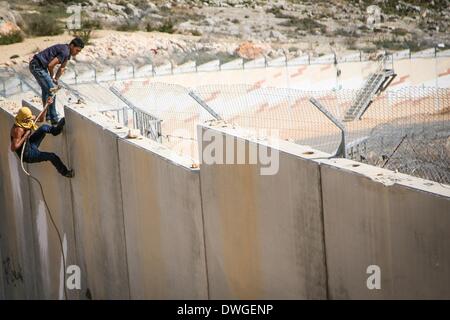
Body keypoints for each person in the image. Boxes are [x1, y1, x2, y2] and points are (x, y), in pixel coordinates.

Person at [10, 102, 74, 178]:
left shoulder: (26, 118)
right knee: (52, 156)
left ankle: (56, 130)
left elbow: (40, 119)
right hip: (28, 155)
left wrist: (46, 106)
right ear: (23, 119)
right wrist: (25, 136)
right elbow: (13, 148)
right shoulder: (18, 130)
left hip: (30, 144)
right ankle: (66, 173)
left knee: (44, 128)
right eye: (27, 119)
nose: (30, 119)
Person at [29, 37, 84, 125]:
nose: (77, 53)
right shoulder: (65, 51)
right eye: (77, 50)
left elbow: (62, 68)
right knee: (52, 90)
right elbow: (51, 65)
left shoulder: (67, 53)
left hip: (38, 66)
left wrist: (55, 79)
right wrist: (51, 76)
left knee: (47, 90)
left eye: (79, 51)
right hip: (37, 66)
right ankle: (54, 118)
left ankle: (47, 115)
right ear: (72, 45)